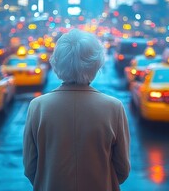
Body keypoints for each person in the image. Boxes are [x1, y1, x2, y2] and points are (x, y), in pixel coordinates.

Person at [23, 29, 130, 191]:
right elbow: (122, 169)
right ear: (95, 64)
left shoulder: (37, 107)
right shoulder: (113, 108)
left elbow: (31, 167)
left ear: (57, 62)